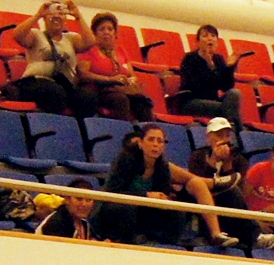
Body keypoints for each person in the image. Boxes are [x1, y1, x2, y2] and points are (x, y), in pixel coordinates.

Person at [92, 123, 240, 247]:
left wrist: (165, 197)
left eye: (160, 141)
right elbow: (112, 193)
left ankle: (170, 246)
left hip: (144, 210)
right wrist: (146, 195)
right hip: (115, 209)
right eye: (151, 140)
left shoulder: (162, 165)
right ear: (140, 142)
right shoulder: (125, 159)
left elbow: (163, 192)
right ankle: (126, 242)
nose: (155, 144)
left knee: (177, 210)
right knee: (128, 208)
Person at [3, 0, 97, 117]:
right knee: (55, 92)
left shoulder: (71, 38)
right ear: (45, 19)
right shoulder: (37, 35)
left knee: (88, 96)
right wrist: (38, 15)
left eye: (61, 14)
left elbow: (90, 42)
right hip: (36, 82)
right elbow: (17, 35)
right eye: (52, 14)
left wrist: (78, 16)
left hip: (64, 85)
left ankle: (79, 131)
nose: (56, 16)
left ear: (65, 19)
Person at [185, 117, 261, 249]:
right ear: (208, 138)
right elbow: (196, 181)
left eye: (227, 135)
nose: (224, 139)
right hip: (203, 204)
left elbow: (239, 188)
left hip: (228, 207)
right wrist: (214, 160)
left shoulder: (239, 160)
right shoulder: (197, 156)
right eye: (219, 135)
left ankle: (253, 236)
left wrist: (227, 164)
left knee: (234, 192)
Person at [77, 12, 152, 122]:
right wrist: (110, 80)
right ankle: (124, 134)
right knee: (120, 100)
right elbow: (83, 74)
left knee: (142, 101)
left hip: (121, 89)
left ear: (115, 33)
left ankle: (147, 134)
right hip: (100, 91)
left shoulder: (121, 51)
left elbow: (132, 75)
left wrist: (131, 80)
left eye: (110, 29)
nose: (106, 32)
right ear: (95, 33)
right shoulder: (89, 49)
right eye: (102, 29)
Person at [176, 24, 240, 129]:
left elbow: (226, 86)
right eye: (205, 36)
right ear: (198, 41)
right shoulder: (190, 58)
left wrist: (229, 68)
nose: (210, 38)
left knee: (235, 93)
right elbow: (194, 85)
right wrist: (209, 65)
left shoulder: (218, 59)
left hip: (213, 102)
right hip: (192, 102)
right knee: (227, 109)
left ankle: (234, 132)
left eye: (213, 36)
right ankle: (237, 133)